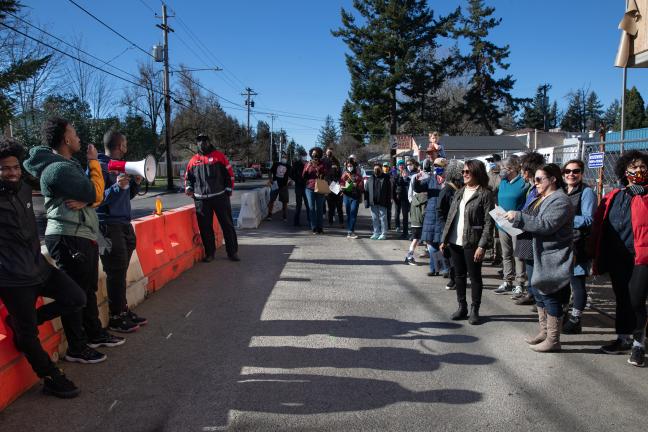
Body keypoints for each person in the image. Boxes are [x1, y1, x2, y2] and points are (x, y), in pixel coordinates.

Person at [25, 117, 120, 364]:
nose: (79, 138)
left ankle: (93, 334)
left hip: (80, 234)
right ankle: (76, 347)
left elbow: (92, 197)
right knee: (75, 293)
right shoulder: (59, 168)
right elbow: (96, 193)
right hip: (69, 237)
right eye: (75, 134)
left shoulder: (65, 165)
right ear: (66, 139)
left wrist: (88, 199)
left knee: (86, 290)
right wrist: (93, 163)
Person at [0, 138, 85, 398]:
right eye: (5, 168)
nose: (12, 172)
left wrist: (85, 201)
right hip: (13, 279)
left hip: (39, 267)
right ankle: (51, 376)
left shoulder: (25, 189)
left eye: (15, 167)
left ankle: (26, 321)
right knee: (27, 337)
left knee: (77, 298)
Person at [505, 163, 574, 353]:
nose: (535, 183)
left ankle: (553, 339)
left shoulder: (560, 200)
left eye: (539, 179)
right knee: (539, 294)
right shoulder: (545, 198)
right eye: (534, 179)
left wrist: (519, 216)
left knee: (550, 295)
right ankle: (544, 332)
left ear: (552, 179)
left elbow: (546, 225)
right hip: (539, 253)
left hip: (553, 256)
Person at [591, 150, 648, 367]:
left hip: (640, 257)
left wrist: (640, 194)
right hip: (617, 256)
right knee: (622, 298)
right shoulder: (614, 195)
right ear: (625, 171)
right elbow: (601, 223)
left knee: (636, 300)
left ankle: (638, 345)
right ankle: (623, 338)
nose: (639, 171)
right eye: (634, 168)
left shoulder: (645, 194)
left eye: (643, 167)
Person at [96, 129, 147, 333]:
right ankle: (116, 317)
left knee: (120, 272)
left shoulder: (122, 168)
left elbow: (125, 196)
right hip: (107, 226)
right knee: (115, 272)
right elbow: (95, 198)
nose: (126, 147)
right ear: (119, 146)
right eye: (125, 144)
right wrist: (116, 187)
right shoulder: (99, 167)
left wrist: (134, 184)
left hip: (123, 224)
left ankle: (123, 310)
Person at [440, 160, 494, 325]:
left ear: (477, 173)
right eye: (463, 172)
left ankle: (474, 310)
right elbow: (450, 217)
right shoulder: (459, 192)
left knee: (475, 277)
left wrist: (482, 245)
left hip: (472, 242)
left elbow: (488, 223)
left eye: (467, 172)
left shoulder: (485, 194)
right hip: (455, 240)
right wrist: (444, 239)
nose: (464, 174)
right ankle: (461, 307)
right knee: (459, 275)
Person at [185, 134, 239, 262]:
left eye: (204, 140)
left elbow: (229, 174)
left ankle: (232, 252)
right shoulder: (193, 160)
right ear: (196, 144)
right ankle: (210, 253)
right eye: (199, 141)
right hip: (201, 200)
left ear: (209, 142)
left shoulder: (219, 157)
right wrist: (189, 189)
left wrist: (228, 190)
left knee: (227, 225)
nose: (202, 143)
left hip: (220, 197)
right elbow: (188, 178)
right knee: (205, 228)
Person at [561, 159, 596, 334]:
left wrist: (565, 220)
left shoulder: (586, 192)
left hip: (579, 244)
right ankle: (565, 314)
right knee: (564, 282)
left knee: (577, 283)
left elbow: (589, 219)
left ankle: (576, 319)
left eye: (575, 171)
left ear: (582, 173)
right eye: (567, 171)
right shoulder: (563, 190)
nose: (571, 174)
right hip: (563, 244)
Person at [512, 152, 547, 308]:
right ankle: (532, 293)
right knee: (529, 266)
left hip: (534, 233)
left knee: (535, 270)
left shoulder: (542, 190)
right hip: (525, 231)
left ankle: (538, 298)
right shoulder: (531, 189)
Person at [494, 156, 529, 295]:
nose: (501, 170)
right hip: (502, 223)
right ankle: (507, 281)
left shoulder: (524, 183)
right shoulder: (502, 182)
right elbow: (494, 193)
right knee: (506, 254)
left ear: (513, 169)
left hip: (517, 224)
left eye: (504, 168)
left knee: (518, 255)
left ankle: (520, 283)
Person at [438, 160, 464, 290]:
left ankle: (458, 277)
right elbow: (440, 211)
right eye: (462, 174)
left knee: (458, 255)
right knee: (451, 255)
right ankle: (453, 279)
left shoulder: (459, 189)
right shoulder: (447, 190)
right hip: (449, 228)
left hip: (460, 227)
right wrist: (445, 229)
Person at [421, 158, 449, 277]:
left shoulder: (449, 181)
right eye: (435, 165)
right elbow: (419, 188)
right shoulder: (430, 179)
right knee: (431, 245)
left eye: (440, 166)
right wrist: (417, 180)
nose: (437, 168)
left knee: (442, 244)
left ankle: (444, 268)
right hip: (431, 215)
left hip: (444, 215)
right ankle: (435, 268)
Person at [302, 146, 329, 234]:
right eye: (313, 153)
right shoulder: (308, 164)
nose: (314, 155)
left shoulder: (323, 163)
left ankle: (320, 227)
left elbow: (326, 173)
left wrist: (317, 167)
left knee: (320, 208)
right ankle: (314, 227)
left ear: (319, 154)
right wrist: (308, 167)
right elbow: (303, 176)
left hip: (320, 187)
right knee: (311, 208)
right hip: (309, 187)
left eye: (316, 153)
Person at [405, 159, 426, 265]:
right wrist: (414, 202)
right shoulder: (415, 177)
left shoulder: (430, 177)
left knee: (425, 234)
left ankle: (428, 252)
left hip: (425, 207)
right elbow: (410, 193)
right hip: (417, 207)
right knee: (416, 235)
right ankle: (409, 256)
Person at [365, 162, 392, 240]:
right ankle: (376, 232)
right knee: (374, 218)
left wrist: (389, 200)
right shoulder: (370, 178)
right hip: (373, 202)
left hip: (383, 201)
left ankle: (384, 233)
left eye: (378, 169)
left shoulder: (386, 178)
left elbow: (389, 191)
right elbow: (366, 190)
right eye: (375, 169)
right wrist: (366, 202)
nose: (376, 170)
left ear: (381, 169)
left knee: (383, 218)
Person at [340, 159, 364, 238]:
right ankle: (349, 231)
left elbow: (361, 187)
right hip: (346, 196)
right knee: (349, 214)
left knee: (353, 213)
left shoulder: (358, 176)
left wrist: (356, 185)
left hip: (355, 196)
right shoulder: (344, 175)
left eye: (351, 166)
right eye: (348, 166)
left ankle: (351, 231)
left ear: (354, 166)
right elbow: (341, 183)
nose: (349, 167)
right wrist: (341, 188)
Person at [486, 154, 503, 266]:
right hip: (499, 206)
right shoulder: (503, 175)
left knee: (493, 232)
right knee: (496, 233)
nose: (490, 163)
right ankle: (496, 255)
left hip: (493, 205)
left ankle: (494, 254)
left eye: (491, 160)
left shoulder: (489, 175)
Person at [266, 152, 291, 222]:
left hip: (284, 186)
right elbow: (270, 171)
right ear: (281, 158)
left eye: (285, 157)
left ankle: (284, 216)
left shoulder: (288, 166)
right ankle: (269, 214)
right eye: (283, 157)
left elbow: (291, 175)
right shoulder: (276, 164)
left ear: (287, 159)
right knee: (271, 200)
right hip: (275, 184)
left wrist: (290, 181)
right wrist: (270, 179)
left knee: (285, 201)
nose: (284, 158)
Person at [290, 151, 310, 227]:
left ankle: (310, 221)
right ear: (300, 156)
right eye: (303, 155)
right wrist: (296, 179)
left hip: (306, 186)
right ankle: (296, 221)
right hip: (298, 186)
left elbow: (310, 173)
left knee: (308, 204)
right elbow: (291, 174)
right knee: (298, 205)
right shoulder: (296, 164)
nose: (304, 157)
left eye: (305, 155)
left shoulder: (308, 164)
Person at [394, 160, 411, 240]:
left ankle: (407, 232)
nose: (405, 174)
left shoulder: (410, 179)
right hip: (399, 198)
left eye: (406, 173)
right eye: (399, 165)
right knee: (398, 213)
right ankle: (400, 228)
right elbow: (395, 185)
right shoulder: (396, 176)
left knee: (406, 216)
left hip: (407, 199)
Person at [326, 159, 344, 226]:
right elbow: (327, 181)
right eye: (333, 165)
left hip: (338, 192)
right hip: (331, 192)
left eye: (335, 165)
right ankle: (330, 222)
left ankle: (341, 223)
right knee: (331, 208)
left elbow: (342, 180)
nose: (334, 167)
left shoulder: (340, 173)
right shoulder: (328, 173)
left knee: (339, 208)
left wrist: (341, 189)